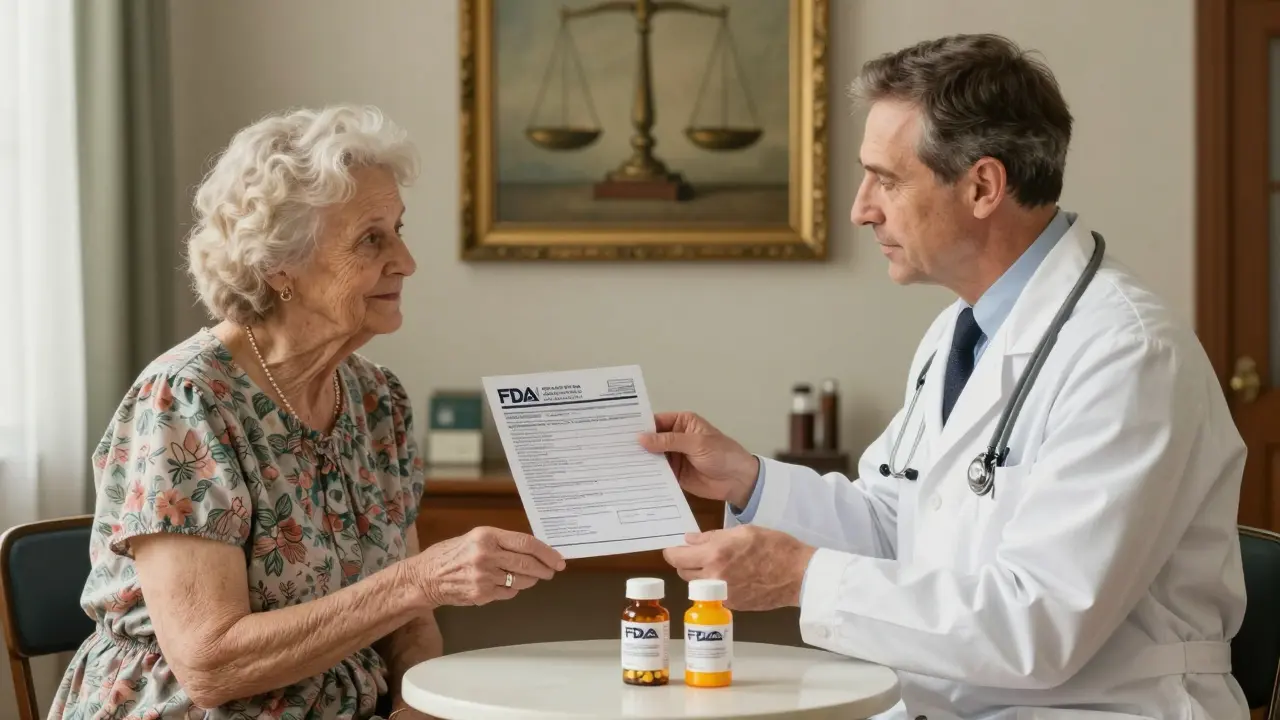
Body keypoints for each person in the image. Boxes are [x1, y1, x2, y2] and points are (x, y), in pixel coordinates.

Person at [641, 34, 1249, 720]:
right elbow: (898, 522)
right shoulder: (961, 332)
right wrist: (746, 479)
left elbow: (1040, 627)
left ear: (983, 186)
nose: (861, 208)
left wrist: (801, 577)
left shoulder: (1128, 354)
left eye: (887, 179)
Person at [49, 105, 566, 720]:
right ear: (278, 266)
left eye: (400, 230)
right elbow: (209, 663)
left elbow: (411, 627)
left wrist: (410, 707)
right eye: (372, 238)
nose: (406, 261)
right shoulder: (187, 401)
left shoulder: (378, 401)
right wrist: (420, 579)